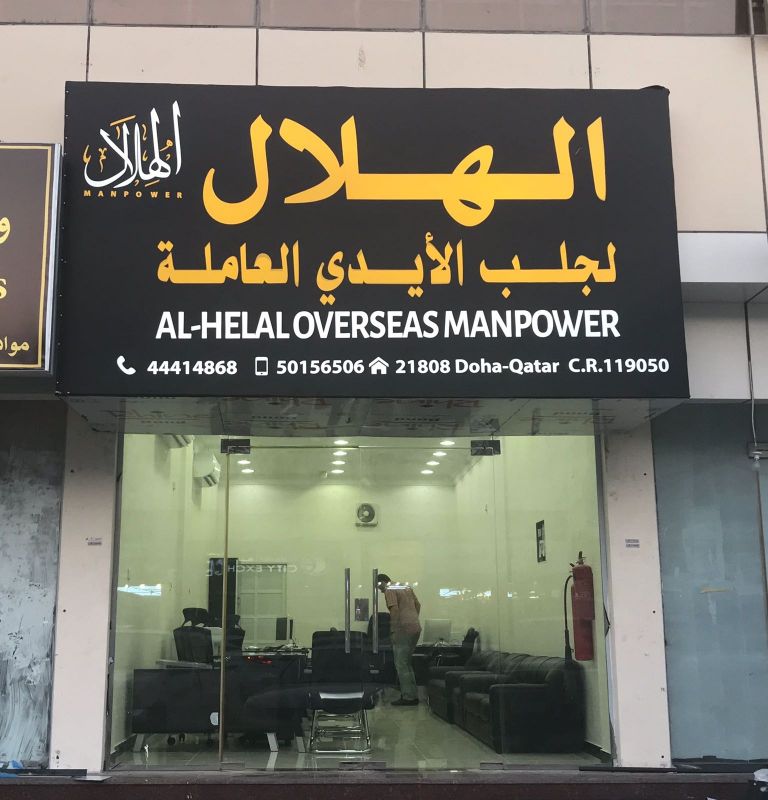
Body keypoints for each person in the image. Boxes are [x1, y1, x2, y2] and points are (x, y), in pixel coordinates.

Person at [376, 573, 421, 706]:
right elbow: (418, 605)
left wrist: (394, 630)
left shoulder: (389, 589)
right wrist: (412, 619)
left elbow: (394, 610)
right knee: (407, 663)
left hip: (403, 630)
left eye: (379, 587)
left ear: (382, 582)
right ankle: (412, 694)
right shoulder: (405, 587)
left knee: (401, 664)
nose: (380, 590)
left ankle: (408, 697)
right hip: (415, 628)